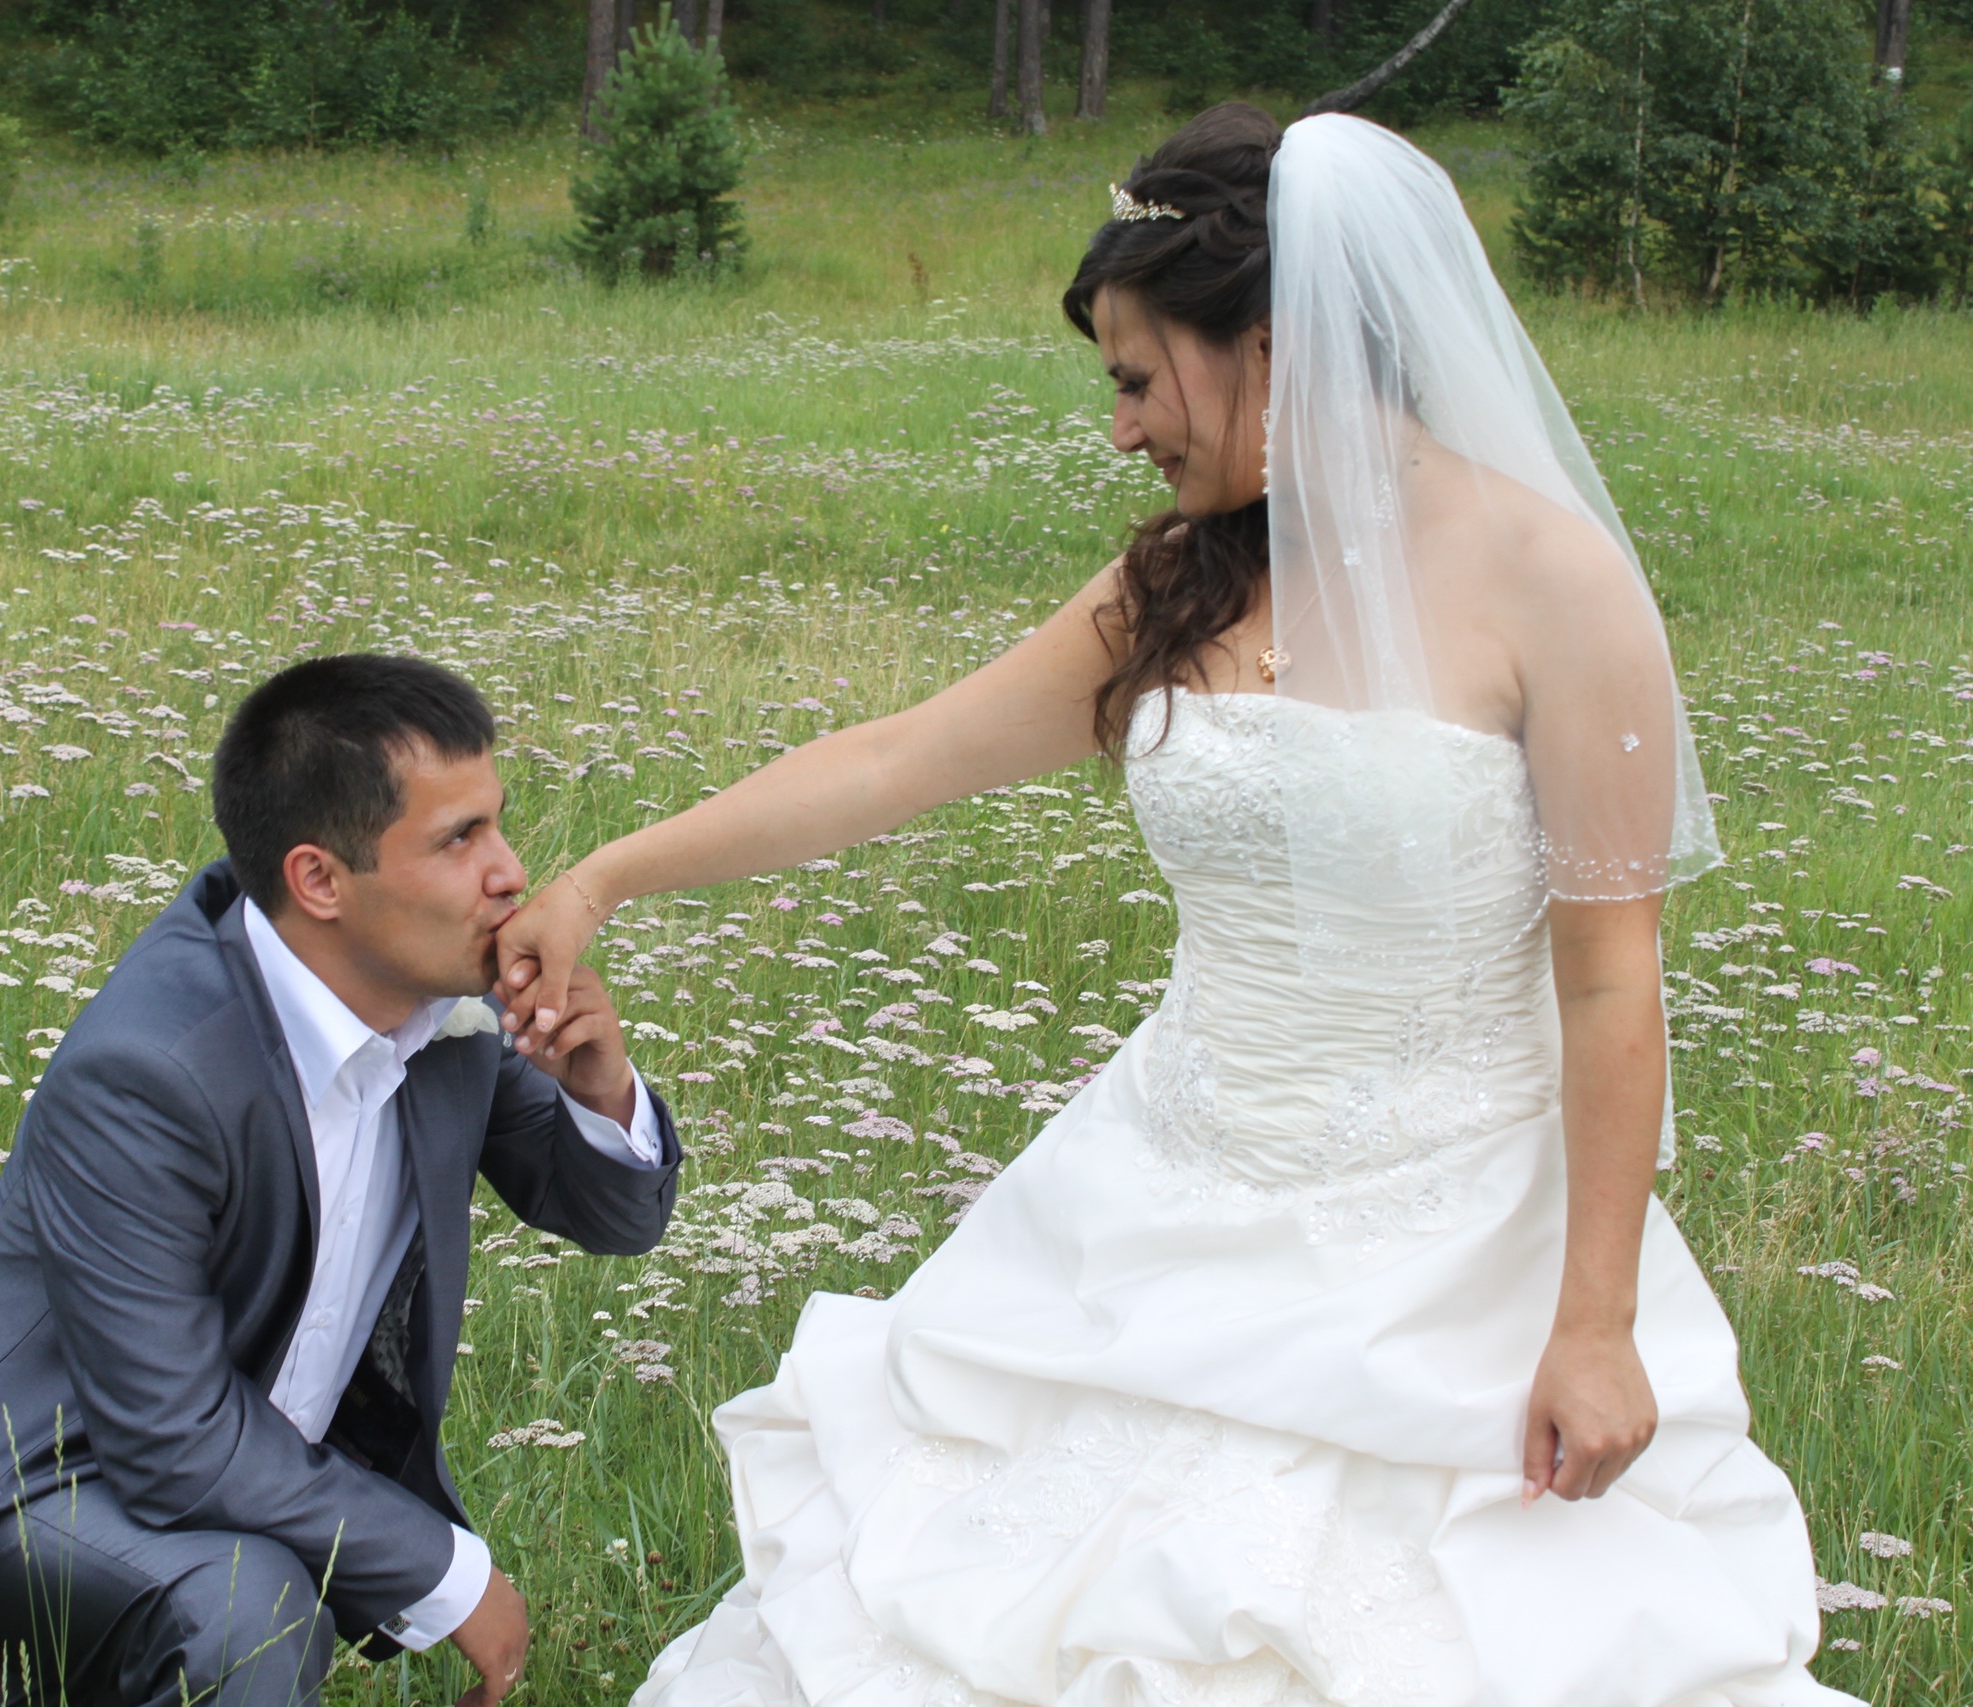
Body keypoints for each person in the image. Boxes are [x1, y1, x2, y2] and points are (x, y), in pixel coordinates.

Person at [488, 107, 1860, 1706]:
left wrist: (1598, 1323)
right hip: (1156, 1196)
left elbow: (1613, 981)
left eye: (1140, 379)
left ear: (1271, 345)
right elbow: (894, 760)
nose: (1123, 428)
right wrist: (605, 873)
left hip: (1449, 1244)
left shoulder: (1555, 583)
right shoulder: (1179, 582)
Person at [0, 654, 682, 1707]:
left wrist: (600, 1085)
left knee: (244, 1594)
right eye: (460, 838)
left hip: (211, 1455)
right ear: (318, 879)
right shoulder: (150, 1069)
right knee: (249, 1607)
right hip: (26, 1470)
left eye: (498, 824)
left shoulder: (439, 1005)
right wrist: (445, 1573)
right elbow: (171, 1439)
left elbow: (610, 1216)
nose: (510, 873)